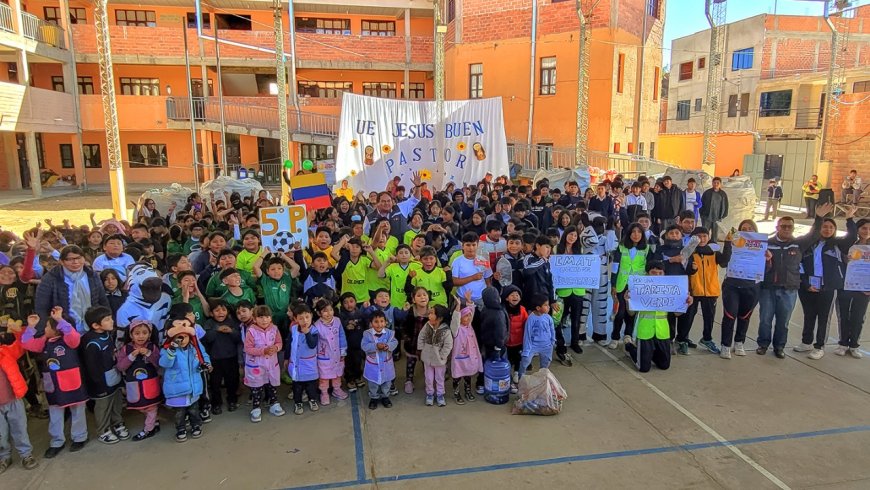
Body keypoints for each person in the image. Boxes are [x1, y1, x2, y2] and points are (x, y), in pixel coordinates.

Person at [757, 204, 828, 359]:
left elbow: (814, 234)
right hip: (768, 288)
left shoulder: (799, 244)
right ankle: (763, 344)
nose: (787, 229)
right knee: (765, 320)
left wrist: (819, 217)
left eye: (790, 227)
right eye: (784, 226)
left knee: (783, 322)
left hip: (789, 289)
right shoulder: (766, 243)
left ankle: (779, 347)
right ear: (777, 227)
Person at [21, 308, 89, 458]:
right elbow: (26, 344)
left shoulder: (69, 340)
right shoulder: (43, 342)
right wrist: (31, 327)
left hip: (73, 382)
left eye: (47, 326)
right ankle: (57, 441)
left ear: (57, 329)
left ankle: (80, 437)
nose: (44, 329)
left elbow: (73, 335)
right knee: (55, 414)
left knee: (77, 410)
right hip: (54, 385)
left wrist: (59, 320)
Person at [795, 210, 857, 360]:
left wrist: (849, 218)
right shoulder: (808, 244)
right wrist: (805, 284)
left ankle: (819, 346)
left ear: (835, 230)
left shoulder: (838, 244)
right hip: (808, 286)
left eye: (831, 227)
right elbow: (800, 265)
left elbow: (852, 237)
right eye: (824, 226)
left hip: (827, 287)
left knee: (823, 318)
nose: (827, 229)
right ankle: (806, 342)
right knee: (809, 315)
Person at [624, 261, 690, 372]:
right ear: (647, 274)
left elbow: (677, 314)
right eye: (653, 272)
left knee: (664, 365)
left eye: (660, 273)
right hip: (645, 331)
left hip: (662, 331)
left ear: (664, 274)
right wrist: (627, 301)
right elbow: (631, 313)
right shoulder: (639, 288)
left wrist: (686, 304)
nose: (657, 275)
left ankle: (649, 354)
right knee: (643, 368)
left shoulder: (670, 289)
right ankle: (629, 346)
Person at [80, 306, 129, 444]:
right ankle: (103, 430)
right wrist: (98, 384)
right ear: (95, 325)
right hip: (100, 382)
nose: (111, 321)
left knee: (116, 402)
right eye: (107, 319)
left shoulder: (107, 334)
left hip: (113, 375)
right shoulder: (91, 342)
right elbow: (91, 367)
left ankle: (117, 423)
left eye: (110, 318)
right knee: (103, 406)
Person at [34, 245, 109, 334]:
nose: (75, 262)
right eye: (70, 259)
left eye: (79, 258)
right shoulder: (50, 278)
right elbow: (41, 307)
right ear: (61, 261)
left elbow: (102, 300)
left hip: (92, 328)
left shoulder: (92, 276)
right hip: (62, 330)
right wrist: (45, 330)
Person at [160, 317, 211, 442]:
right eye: (178, 337)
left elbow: (199, 361)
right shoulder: (167, 350)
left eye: (185, 336)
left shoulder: (194, 349)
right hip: (177, 388)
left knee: (194, 409)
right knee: (179, 413)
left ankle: (196, 425)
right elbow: (164, 363)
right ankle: (180, 428)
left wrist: (203, 365)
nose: (182, 340)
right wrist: (171, 350)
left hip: (193, 387)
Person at [683, 228, 732, 356]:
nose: (702, 239)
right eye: (698, 236)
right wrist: (691, 269)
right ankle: (682, 339)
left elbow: (724, 262)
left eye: (704, 236)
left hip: (711, 291)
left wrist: (727, 244)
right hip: (693, 290)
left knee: (709, 317)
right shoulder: (689, 251)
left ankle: (707, 339)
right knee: (688, 317)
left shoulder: (713, 251)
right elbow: (683, 269)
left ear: (708, 237)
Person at [0, 317, 38, 472]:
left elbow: (21, 343)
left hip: (14, 400)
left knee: (20, 429)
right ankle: (4, 457)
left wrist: (21, 328)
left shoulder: (6, 352)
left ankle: (26, 454)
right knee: (0, 434)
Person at [720, 220, 763, 357]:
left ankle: (739, 342)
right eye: (743, 228)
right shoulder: (733, 242)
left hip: (751, 286)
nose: (747, 230)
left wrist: (767, 259)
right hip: (732, 285)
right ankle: (725, 345)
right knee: (729, 315)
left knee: (745, 316)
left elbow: (766, 269)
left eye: (750, 228)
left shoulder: (762, 245)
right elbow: (723, 262)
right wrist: (727, 243)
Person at [116, 320, 162, 441]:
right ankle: (154, 422)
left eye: (144, 333)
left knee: (151, 407)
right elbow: (120, 366)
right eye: (137, 333)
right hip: (134, 386)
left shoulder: (152, 347)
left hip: (151, 384)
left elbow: (159, 363)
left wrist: (148, 353)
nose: (141, 336)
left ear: (149, 334)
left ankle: (148, 429)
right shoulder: (126, 349)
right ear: (131, 335)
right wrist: (132, 356)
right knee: (142, 407)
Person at [610, 223, 649, 349]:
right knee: (620, 312)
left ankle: (628, 334)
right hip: (622, 283)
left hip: (638, 285)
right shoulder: (621, 247)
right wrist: (613, 284)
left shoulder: (647, 248)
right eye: (633, 232)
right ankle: (615, 336)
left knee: (632, 312)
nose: (636, 234)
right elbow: (615, 267)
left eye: (639, 232)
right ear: (629, 233)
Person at [244, 305, 284, 422]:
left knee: (271, 385)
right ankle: (256, 408)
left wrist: (276, 348)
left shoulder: (274, 329)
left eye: (267, 316)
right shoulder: (251, 331)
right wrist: (263, 351)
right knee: (257, 388)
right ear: (255, 319)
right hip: (256, 365)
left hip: (271, 364)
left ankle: (273, 403)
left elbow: (279, 342)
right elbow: (248, 348)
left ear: (271, 318)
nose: (264, 320)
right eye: (260, 317)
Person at [837, 218, 870, 358]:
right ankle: (843, 344)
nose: (867, 231)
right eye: (864, 228)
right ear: (858, 229)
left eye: (869, 229)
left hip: (864, 288)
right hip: (846, 285)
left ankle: (854, 345)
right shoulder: (849, 244)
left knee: (858, 317)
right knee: (844, 315)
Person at [285, 304, 320, 415]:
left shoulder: (314, 330)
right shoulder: (294, 329)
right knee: (297, 386)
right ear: (295, 319)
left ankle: (312, 400)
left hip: (309, 365)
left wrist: (307, 333)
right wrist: (286, 358)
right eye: (300, 318)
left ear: (311, 316)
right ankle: (298, 402)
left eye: (307, 317)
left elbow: (312, 344)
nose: (304, 320)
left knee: (311, 385)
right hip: (296, 363)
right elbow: (288, 345)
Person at [449, 292, 482, 405]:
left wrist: (469, 301)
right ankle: (457, 393)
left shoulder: (469, 326)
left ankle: (468, 391)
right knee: (457, 377)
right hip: (459, 358)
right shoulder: (456, 329)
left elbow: (471, 311)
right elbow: (455, 319)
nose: (468, 318)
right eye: (465, 316)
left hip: (469, 357)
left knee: (468, 376)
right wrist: (458, 306)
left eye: (469, 316)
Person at [417, 304, 452, 407]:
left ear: (440, 318)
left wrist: (442, 355)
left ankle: (440, 395)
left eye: (432, 313)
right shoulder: (427, 325)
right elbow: (421, 337)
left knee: (439, 378)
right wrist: (421, 349)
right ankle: (430, 394)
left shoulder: (446, 330)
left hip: (439, 361)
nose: (429, 314)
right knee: (428, 377)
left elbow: (448, 345)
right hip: (427, 359)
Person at [361, 310, 397, 410]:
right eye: (376, 321)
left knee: (387, 382)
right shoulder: (367, 334)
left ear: (385, 322)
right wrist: (375, 346)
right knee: (373, 383)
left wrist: (388, 346)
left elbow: (395, 342)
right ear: (371, 323)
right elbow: (364, 346)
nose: (379, 324)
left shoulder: (390, 333)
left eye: (382, 321)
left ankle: (385, 396)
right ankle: (374, 397)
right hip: (373, 365)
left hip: (386, 365)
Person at [314, 299, 348, 406]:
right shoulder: (316, 326)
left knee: (337, 374)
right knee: (324, 376)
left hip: (337, 354)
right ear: (319, 313)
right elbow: (314, 342)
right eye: (325, 311)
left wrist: (343, 351)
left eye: (330, 310)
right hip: (324, 356)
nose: (329, 313)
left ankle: (336, 389)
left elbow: (342, 336)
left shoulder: (337, 321)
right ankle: (324, 393)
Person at [519, 294, 556, 378]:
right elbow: (527, 335)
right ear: (538, 308)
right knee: (525, 361)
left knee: (545, 364)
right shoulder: (531, 319)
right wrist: (527, 349)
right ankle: (520, 378)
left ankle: (542, 379)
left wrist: (552, 341)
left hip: (546, 346)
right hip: (533, 345)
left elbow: (552, 330)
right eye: (546, 305)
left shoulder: (548, 318)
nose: (549, 307)